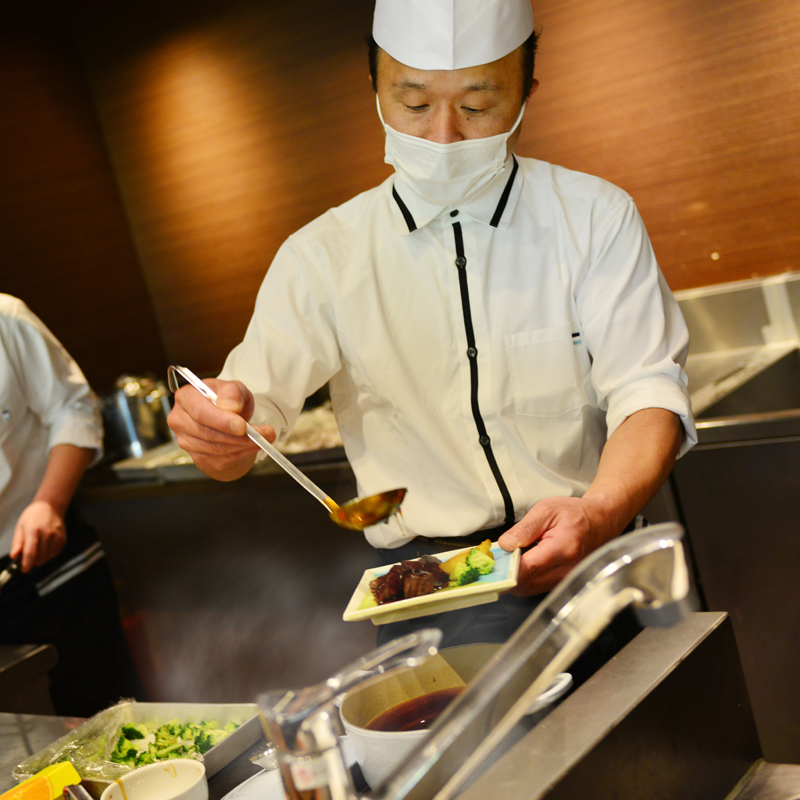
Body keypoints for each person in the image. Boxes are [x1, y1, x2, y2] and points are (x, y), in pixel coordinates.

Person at [169, 0, 696, 661]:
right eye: (414, 104)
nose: (443, 136)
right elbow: (249, 409)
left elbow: (648, 391)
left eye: (477, 105)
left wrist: (601, 510)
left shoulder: (593, 218)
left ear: (528, 91)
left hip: (593, 561)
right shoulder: (322, 256)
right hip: (429, 594)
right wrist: (219, 433)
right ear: (375, 88)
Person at [0, 294, 145, 716]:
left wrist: (49, 502)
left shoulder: (6, 318)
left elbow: (74, 409)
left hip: (47, 566)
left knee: (110, 717)